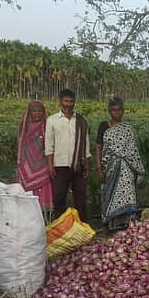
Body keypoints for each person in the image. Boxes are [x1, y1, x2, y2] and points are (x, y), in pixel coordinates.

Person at [95, 97, 145, 229]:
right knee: (109, 193)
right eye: (113, 110)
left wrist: (135, 169)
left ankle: (126, 223)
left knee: (127, 195)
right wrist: (99, 168)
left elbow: (132, 150)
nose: (116, 113)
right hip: (109, 167)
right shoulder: (103, 126)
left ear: (123, 111)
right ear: (109, 111)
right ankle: (111, 222)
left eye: (119, 110)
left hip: (126, 167)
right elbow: (98, 147)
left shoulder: (127, 129)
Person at [45, 89, 91, 222]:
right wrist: (50, 165)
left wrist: (87, 164)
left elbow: (86, 143)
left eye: (71, 102)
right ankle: (60, 227)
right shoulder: (52, 120)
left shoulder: (81, 120)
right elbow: (49, 144)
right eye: (66, 101)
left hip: (79, 165)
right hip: (60, 165)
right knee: (59, 198)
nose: (69, 104)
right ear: (60, 101)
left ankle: (81, 227)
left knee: (80, 198)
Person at [17, 100, 53, 215]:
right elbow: (21, 143)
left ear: (43, 112)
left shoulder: (47, 125)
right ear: (29, 112)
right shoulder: (24, 126)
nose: (37, 113)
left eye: (40, 111)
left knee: (43, 186)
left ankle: (44, 215)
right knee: (27, 189)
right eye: (34, 111)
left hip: (43, 163)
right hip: (26, 163)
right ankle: (28, 214)